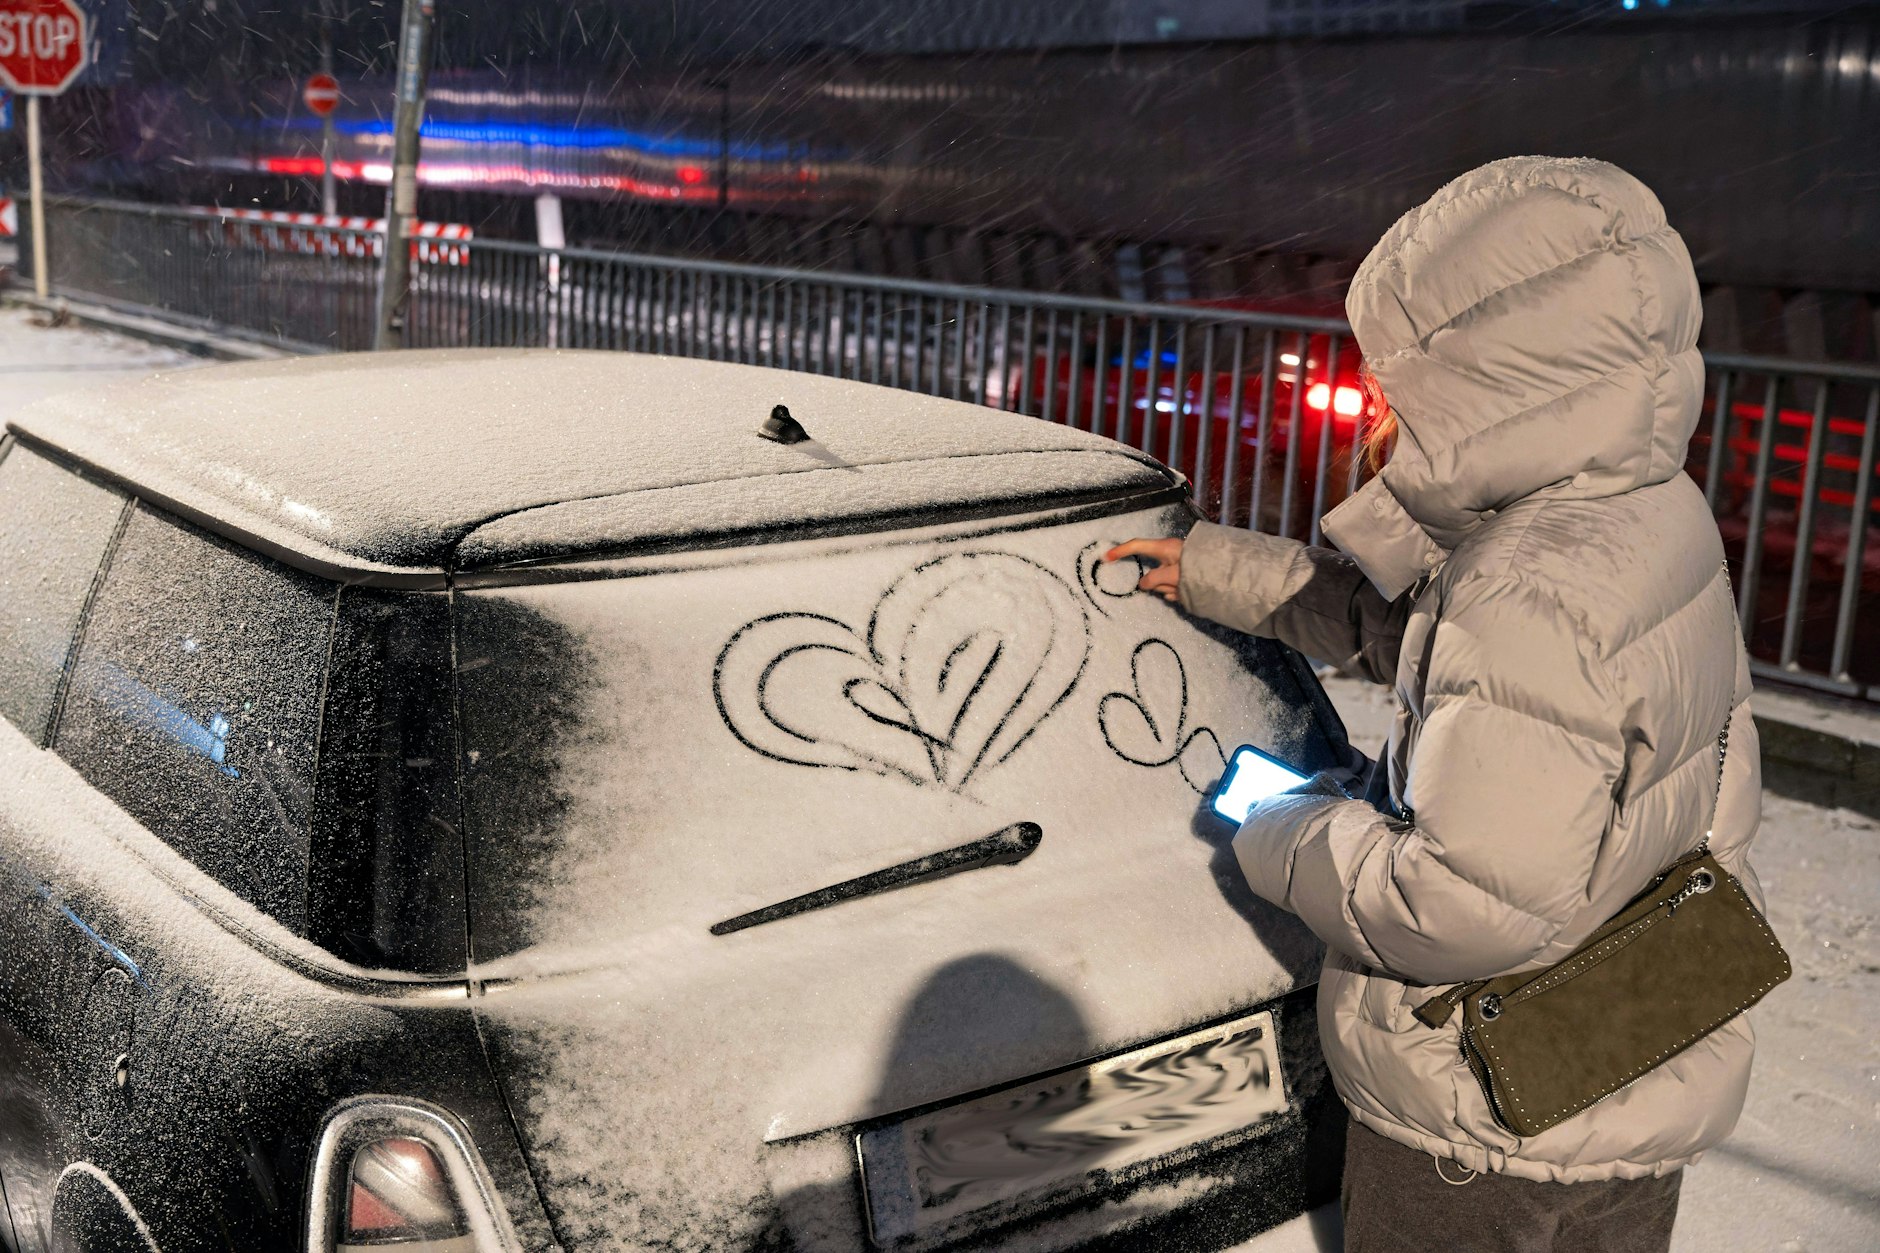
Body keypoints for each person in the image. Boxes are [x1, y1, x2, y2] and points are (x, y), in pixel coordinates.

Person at [1105, 156, 1762, 1253]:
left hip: (1481, 1119)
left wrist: (1279, 826)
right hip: (1625, 1050)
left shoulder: (1525, 585)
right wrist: (1219, 572)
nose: (1378, 398)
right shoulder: (1642, 508)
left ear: (1488, 376)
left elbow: (1457, 905)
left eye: (1401, 373)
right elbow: (1436, 637)